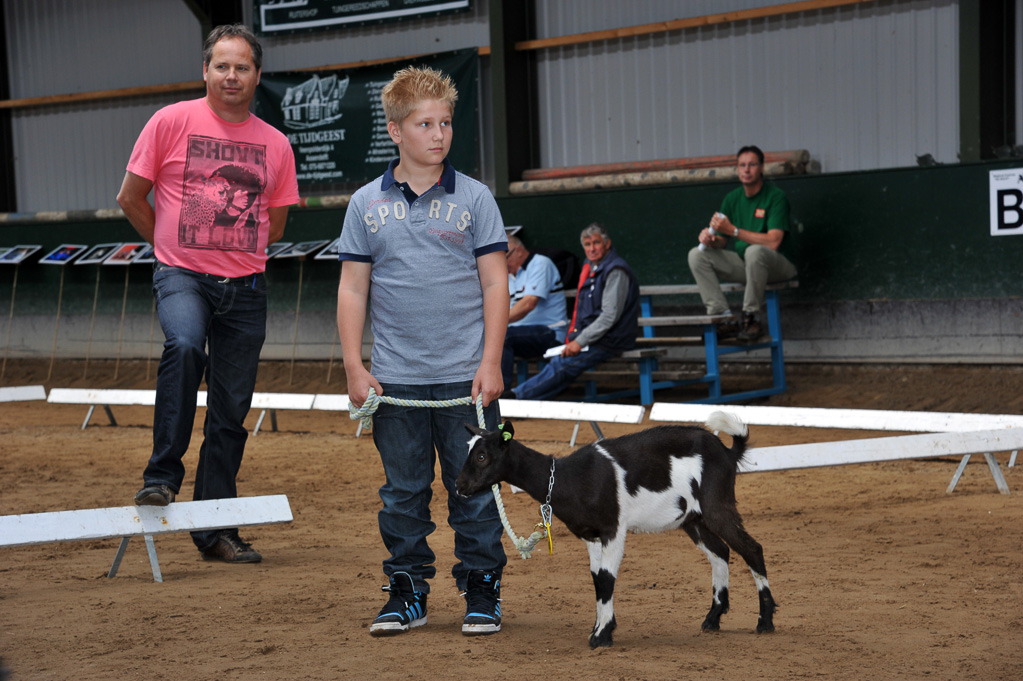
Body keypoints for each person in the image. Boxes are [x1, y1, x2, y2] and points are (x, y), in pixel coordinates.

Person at [116, 24, 299, 564]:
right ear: (205, 70)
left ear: (257, 76)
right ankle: (161, 476)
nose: (231, 76)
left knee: (230, 411)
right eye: (222, 65)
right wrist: (172, 247)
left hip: (247, 287)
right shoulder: (169, 121)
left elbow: (278, 224)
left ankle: (215, 531)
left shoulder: (276, 144)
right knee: (186, 346)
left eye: (242, 67)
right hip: (182, 276)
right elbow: (131, 197)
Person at [336, 65, 509, 638]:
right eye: (424, 123)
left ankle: (482, 586)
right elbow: (353, 288)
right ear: (395, 130)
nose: (439, 134)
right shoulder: (364, 204)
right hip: (396, 384)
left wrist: (490, 362)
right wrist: (356, 367)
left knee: (475, 492)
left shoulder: (475, 198)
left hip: (466, 382)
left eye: (446, 123)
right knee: (403, 494)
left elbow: (494, 284)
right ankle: (407, 589)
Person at [502, 222, 639, 402]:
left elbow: (609, 316)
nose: (592, 249)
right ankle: (523, 400)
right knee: (563, 365)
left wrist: (579, 341)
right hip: (592, 337)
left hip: (610, 340)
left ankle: (513, 398)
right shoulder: (590, 266)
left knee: (562, 364)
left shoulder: (615, 270)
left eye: (596, 243)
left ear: (607, 244)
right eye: (587, 245)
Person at [687, 145, 797, 342]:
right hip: (746, 264)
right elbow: (723, 241)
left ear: (762, 168)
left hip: (778, 266)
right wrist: (711, 240)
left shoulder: (776, 197)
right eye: (742, 165)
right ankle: (723, 318)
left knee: (755, 252)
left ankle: (751, 318)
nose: (747, 170)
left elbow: (773, 242)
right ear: (737, 169)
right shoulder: (732, 198)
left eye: (752, 165)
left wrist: (735, 231)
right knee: (696, 254)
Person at [502, 234, 568, 388]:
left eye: (505, 257)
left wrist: (495, 324)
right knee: (489, 338)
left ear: (518, 250)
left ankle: (498, 395)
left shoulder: (540, 263)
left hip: (549, 333)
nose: (503, 263)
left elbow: (529, 304)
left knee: (502, 336)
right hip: (519, 334)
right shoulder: (507, 275)